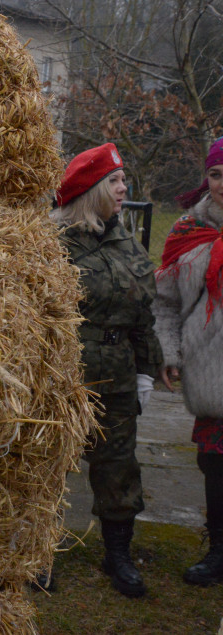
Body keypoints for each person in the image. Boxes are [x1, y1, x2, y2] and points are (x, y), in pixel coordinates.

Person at [51, 142, 163, 598]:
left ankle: (117, 554)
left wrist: (146, 372)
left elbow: (143, 314)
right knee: (47, 468)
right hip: (63, 377)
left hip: (116, 377)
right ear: (92, 188)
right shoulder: (53, 245)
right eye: (114, 181)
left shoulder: (125, 240)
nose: (123, 188)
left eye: (123, 181)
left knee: (118, 468)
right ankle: (36, 553)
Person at [153, 135, 223, 587]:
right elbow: (164, 303)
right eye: (216, 175)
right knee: (214, 467)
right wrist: (170, 353)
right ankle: (218, 551)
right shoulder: (187, 231)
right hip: (210, 371)